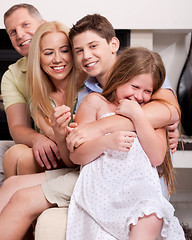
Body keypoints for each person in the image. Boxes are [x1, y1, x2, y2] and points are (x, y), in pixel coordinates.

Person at [66, 47, 185, 240]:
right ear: (119, 78)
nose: (139, 96)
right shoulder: (95, 103)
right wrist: (105, 142)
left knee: (151, 213)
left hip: (139, 188)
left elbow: (156, 157)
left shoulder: (151, 114)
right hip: (101, 188)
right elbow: (76, 155)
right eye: (135, 87)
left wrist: (138, 116)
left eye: (148, 91)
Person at [66, 13, 179, 199]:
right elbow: (78, 150)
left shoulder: (144, 72)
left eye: (93, 46)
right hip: (104, 183)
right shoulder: (87, 95)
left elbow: (170, 112)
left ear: (114, 45)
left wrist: (100, 127)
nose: (86, 55)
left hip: (145, 186)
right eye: (78, 51)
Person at [0, 21, 81, 240]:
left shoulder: (87, 89)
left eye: (65, 50)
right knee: (10, 182)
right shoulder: (40, 97)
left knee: (22, 160)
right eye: (48, 53)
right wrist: (56, 132)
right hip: (67, 160)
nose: (57, 59)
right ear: (39, 58)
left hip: (82, 164)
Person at [0, 3, 58, 184]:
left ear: (43, 25)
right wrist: (38, 139)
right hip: (43, 140)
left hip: (68, 140)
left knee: (21, 157)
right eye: (12, 32)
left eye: (25, 25)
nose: (20, 35)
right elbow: (17, 126)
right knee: (12, 154)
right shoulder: (13, 75)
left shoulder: (65, 59)